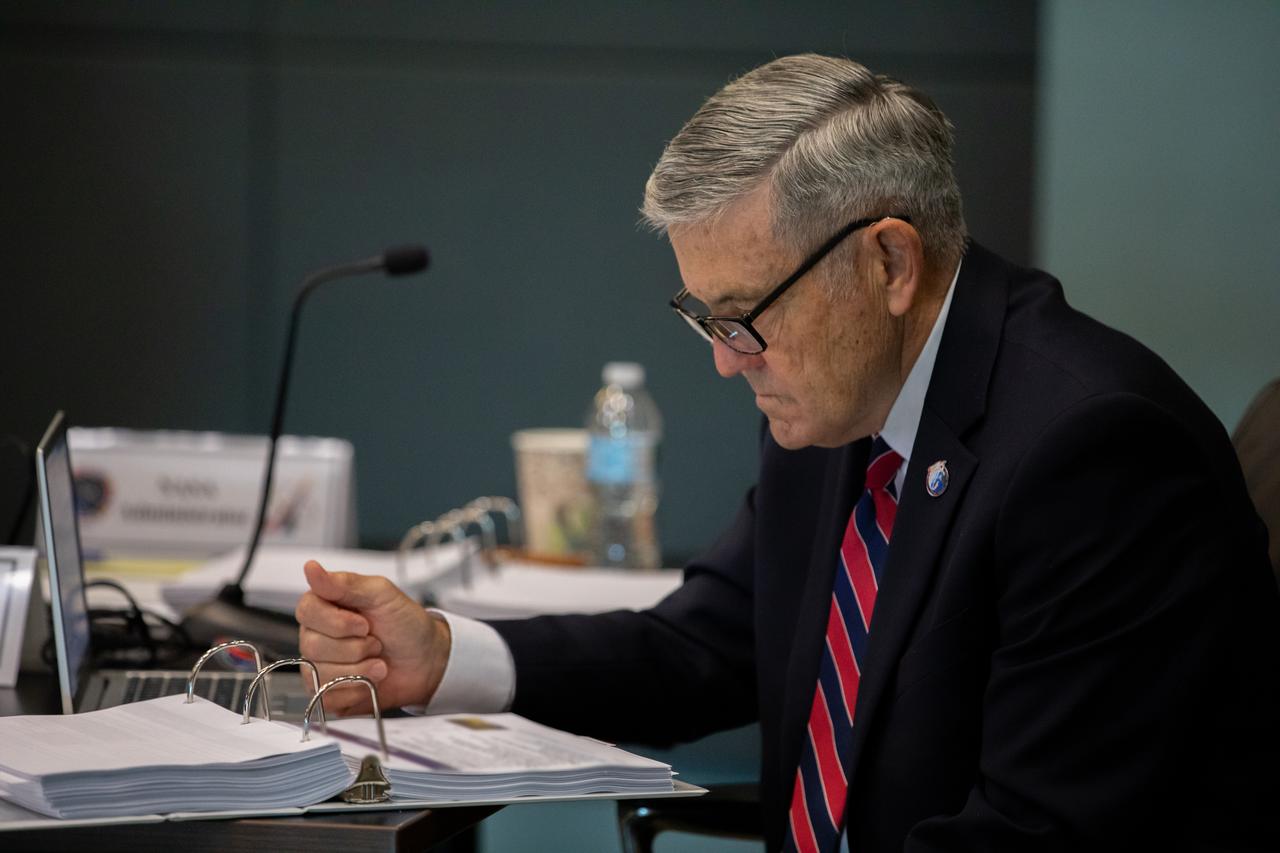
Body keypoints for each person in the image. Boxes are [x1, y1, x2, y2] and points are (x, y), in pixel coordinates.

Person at [295, 54, 1279, 852]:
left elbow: (1031, 832)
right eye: (704, 318)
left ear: (887, 263)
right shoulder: (842, 393)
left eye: (742, 318)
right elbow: (704, 646)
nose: (728, 364)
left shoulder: (1092, 451)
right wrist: (444, 654)